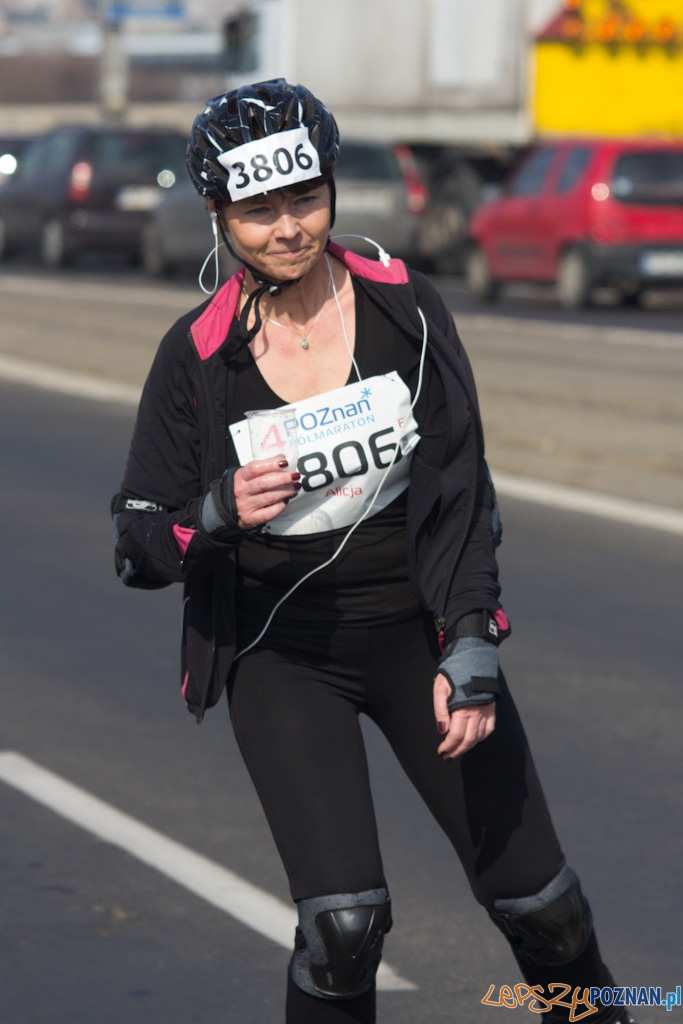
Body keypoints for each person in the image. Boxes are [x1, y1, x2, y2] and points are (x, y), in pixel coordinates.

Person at [112, 80, 635, 1024]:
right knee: (344, 928)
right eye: (258, 210)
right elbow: (139, 536)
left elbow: (465, 491)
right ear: (218, 213)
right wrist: (216, 510)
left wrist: (469, 641)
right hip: (286, 655)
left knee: (543, 910)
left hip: (419, 635)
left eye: (304, 198)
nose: (287, 229)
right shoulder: (196, 356)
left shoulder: (405, 309)